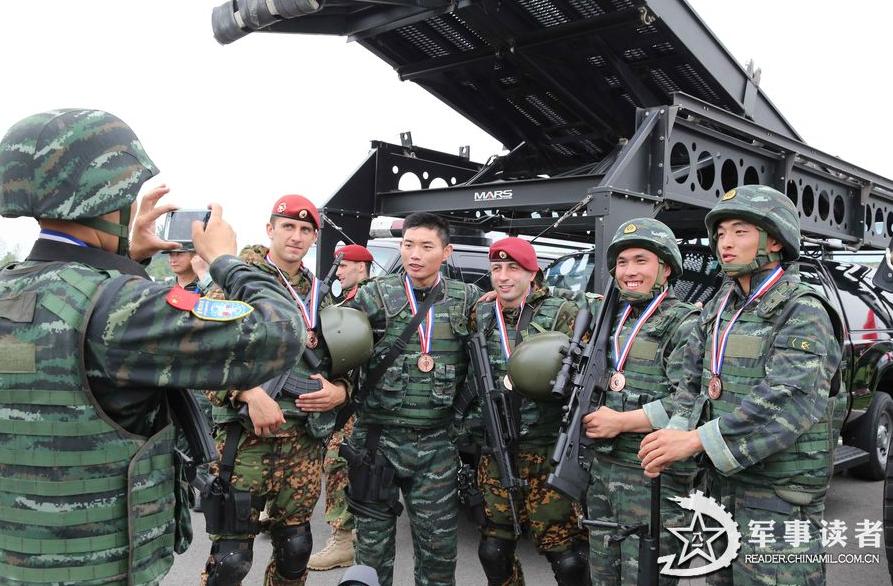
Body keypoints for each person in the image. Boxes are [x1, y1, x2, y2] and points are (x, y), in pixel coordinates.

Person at [0, 108, 306, 585]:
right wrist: (226, 259)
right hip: (100, 568)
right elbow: (280, 333)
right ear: (113, 197)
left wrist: (124, 255)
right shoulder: (124, 308)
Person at [638, 186, 843, 585]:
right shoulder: (720, 306)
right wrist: (675, 432)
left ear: (775, 240)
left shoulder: (803, 310)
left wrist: (695, 441)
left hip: (779, 497)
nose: (725, 244)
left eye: (740, 231)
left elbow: (787, 400)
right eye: (720, 234)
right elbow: (693, 384)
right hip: (722, 487)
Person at [201, 194, 355, 586]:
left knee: (296, 547)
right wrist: (249, 393)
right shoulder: (236, 282)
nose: (297, 236)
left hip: (303, 441)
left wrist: (340, 390)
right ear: (270, 229)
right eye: (288, 227)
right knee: (231, 558)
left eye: (306, 230)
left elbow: (344, 358)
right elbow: (201, 355)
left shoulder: (321, 294)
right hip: (246, 441)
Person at [343, 212, 481, 586]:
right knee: (370, 557)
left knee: (438, 556)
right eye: (408, 245)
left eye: (426, 246)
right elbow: (336, 351)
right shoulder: (374, 295)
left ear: (446, 251)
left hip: (436, 446)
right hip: (376, 443)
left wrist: (464, 426)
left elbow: (489, 362)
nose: (414, 254)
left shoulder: (467, 299)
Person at [582, 218, 700, 585]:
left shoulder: (686, 323)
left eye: (640, 260)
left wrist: (620, 421)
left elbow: (690, 402)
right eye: (622, 263)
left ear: (665, 268)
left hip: (653, 477)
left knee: (647, 578)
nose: (629, 271)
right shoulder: (607, 318)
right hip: (603, 470)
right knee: (603, 575)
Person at [466, 237, 589, 585]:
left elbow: (590, 313)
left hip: (546, 450)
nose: (503, 277)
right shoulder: (482, 313)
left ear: (533, 273)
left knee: (568, 558)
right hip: (497, 449)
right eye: (496, 269)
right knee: (493, 550)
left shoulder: (561, 311)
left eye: (513, 269)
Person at [308, 243, 373, 572]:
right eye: (338, 265)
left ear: (362, 268)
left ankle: (344, 540)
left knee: (338, 463)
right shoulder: (342, 302)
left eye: (346, 265)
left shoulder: (366, 300)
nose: (340, 271)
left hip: (359, 401)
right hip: (343, 396)